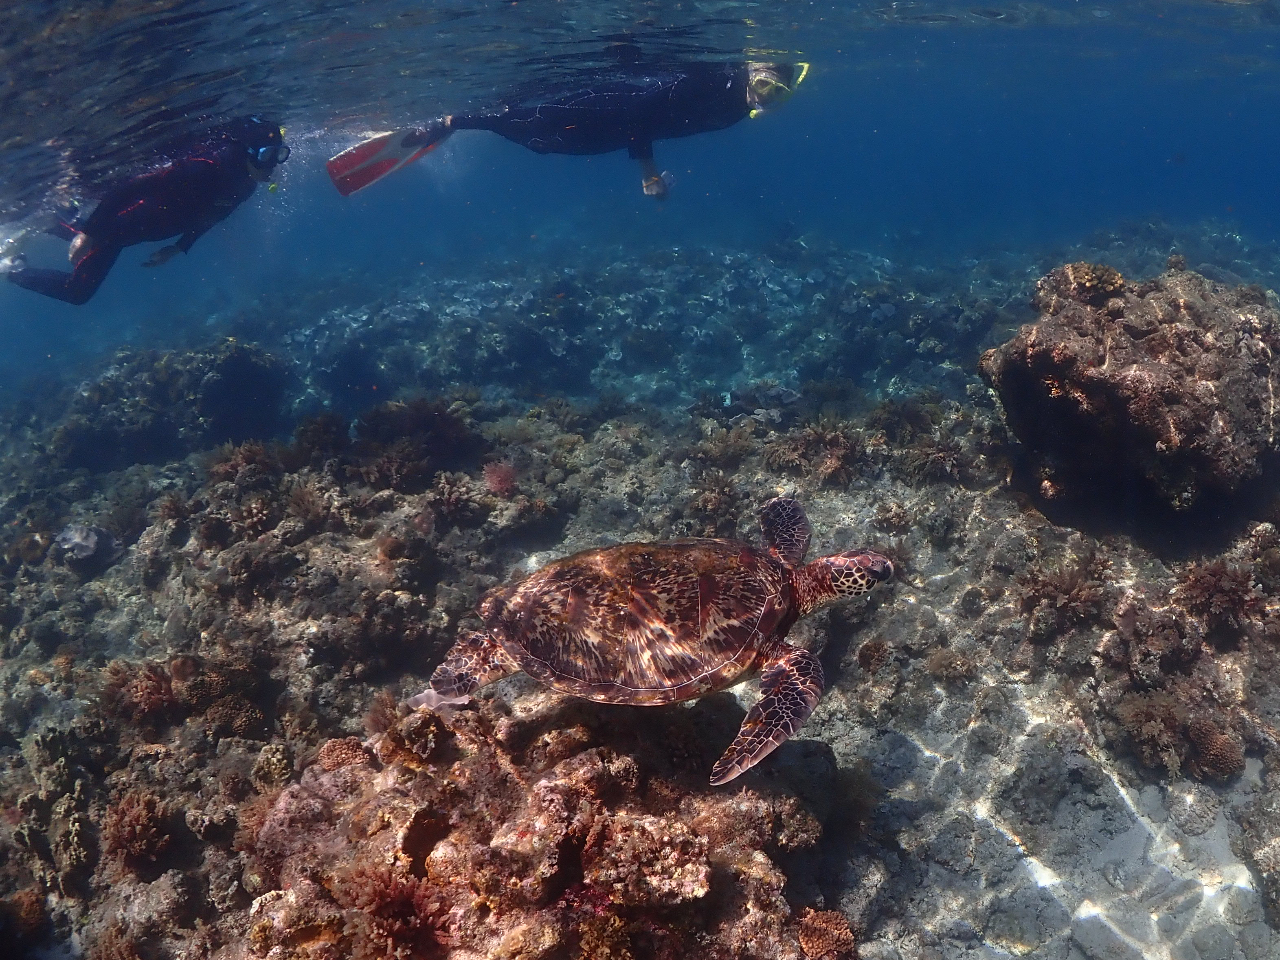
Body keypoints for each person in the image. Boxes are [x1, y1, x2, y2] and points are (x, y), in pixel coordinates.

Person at [327, 61, 807, 199]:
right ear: (752, 70)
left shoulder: (735, 109)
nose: (765, 98)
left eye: (778, 96)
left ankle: (471, 120)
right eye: (765, 85)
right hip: (609, 110)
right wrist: (648, 172)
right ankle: (453, 121)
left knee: (540, 145)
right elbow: (643, 109)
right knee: (536, 127)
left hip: (615, 131)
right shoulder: (711, 79)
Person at [3, 117, 289, 305]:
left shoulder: (245, 186)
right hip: (120, 228)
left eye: (279, 155)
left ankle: (53, 222)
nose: (273, 165)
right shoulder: (204, 168)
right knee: (77, 292)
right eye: (268, 156)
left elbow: (212, 217)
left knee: (89, 241)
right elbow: (131, 187)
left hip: (132, 233)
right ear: (249, 152)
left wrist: (179, 247)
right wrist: (89, 233)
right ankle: (14, 269)